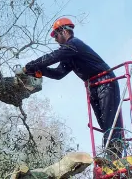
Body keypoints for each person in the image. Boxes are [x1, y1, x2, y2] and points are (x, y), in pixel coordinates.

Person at [22, 17, 123, 159]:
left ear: (64, 31)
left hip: (106, 82)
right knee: (103, 123)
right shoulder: (69, 53)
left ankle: (113, 156)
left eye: (56, 35)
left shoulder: (74, 44)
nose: (56, 40)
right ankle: (111, 155)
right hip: (94, 86)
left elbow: (53, 56)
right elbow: (58, 73)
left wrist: (32, 64)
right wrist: (40, 70)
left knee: (109, 121)